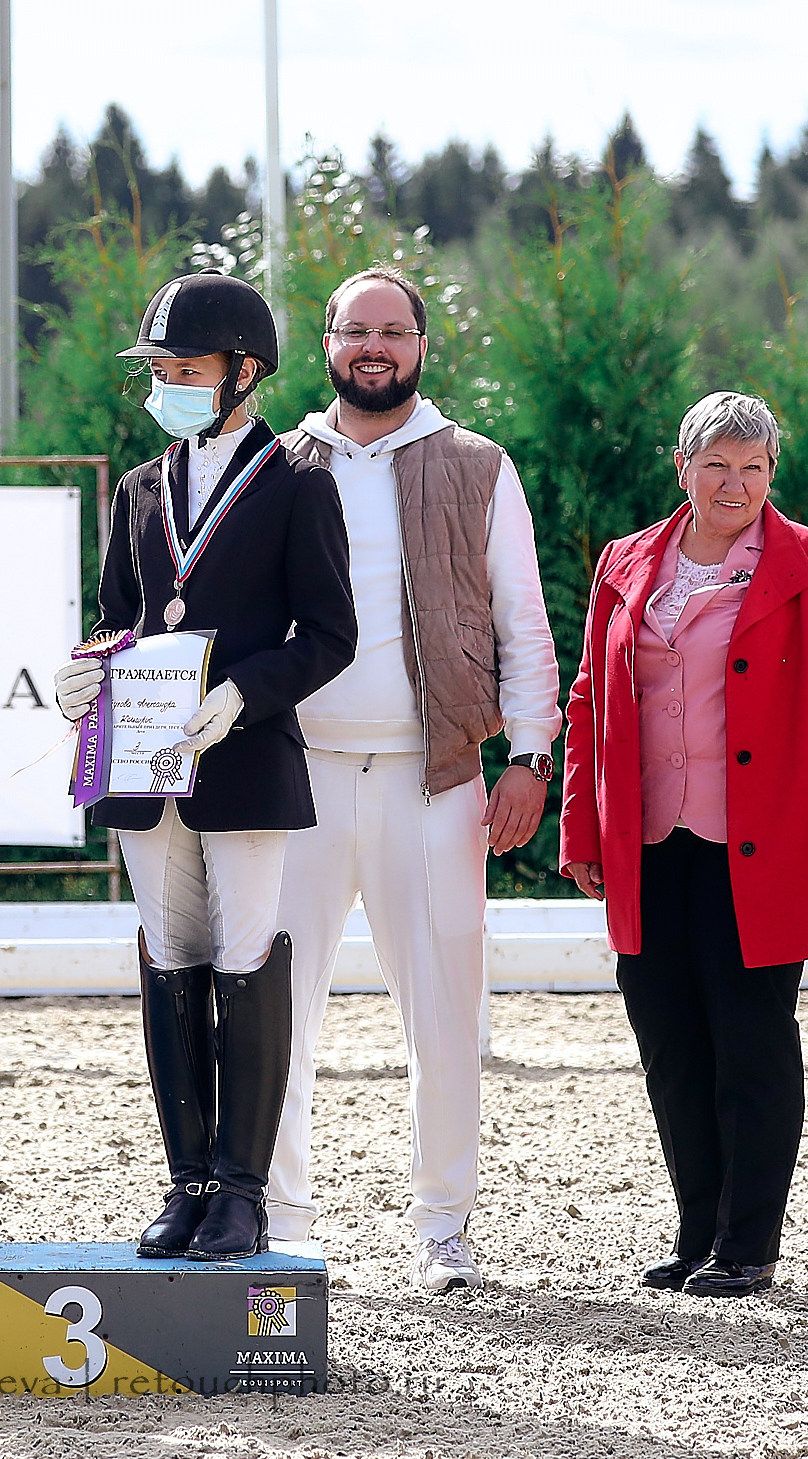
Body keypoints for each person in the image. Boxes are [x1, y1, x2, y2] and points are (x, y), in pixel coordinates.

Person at [266, 268, 563, 1292]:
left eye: (393, 330)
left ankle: (443, 1227)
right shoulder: (277, 461)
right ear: (328, 343)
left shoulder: (478, 465)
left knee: (443, 1014)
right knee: (276, 1011)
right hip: (292, 779)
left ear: (422, 345)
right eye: (357, 330)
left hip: (432, 781)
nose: (374, 347)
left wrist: (529, 755)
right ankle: (282, 1221)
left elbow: (523, 622)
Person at [55, 273, 357, 1262]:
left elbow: (328, 633)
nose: (168, 385)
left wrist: (243, 694)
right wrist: (90, 671)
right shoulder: (141, 488)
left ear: (243, 373)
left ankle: (241, 1190)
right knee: (167, 952)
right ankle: (185, 1179)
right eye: (160, 371)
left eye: (186, 370)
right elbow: (119, 614)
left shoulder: (298, 483)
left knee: (241, 949)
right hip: (145, 758)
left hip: (243, 751)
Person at [559, 391, 808, 1298]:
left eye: (752, 467)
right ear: (682, 468)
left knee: (751, 1038)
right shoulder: (627, 563)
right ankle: (698, 1226)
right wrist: (581, 824)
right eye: (716, 465)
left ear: (772, 473)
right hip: (648, 840)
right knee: (667, 1038)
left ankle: (749, 1241)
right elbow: (588, 700)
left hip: (761, 842)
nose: (734, 483)